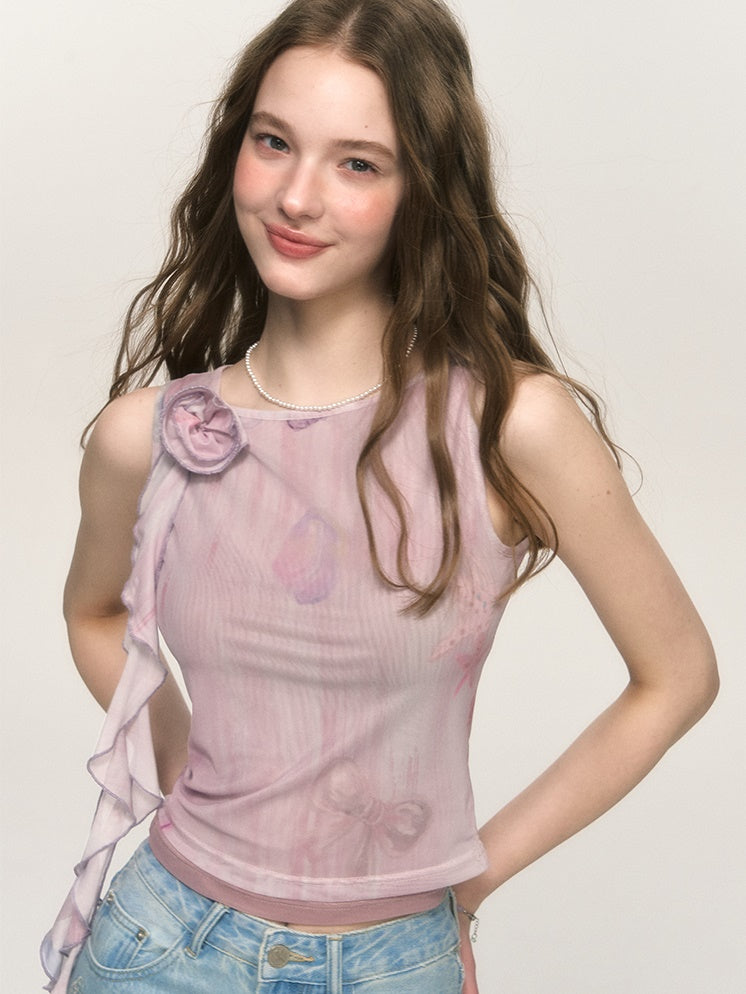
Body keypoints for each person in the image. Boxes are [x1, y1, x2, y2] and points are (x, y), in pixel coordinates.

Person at [41, 0, 718, 991]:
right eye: (274, 142)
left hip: (392, 961)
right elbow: (91, 612)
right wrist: (188, 770)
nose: (296, 197)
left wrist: (470, 881)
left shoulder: (508, 426)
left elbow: (678, 675)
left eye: (356, 163)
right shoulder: (149, 436)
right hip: (160, 943)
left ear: (421, 190)